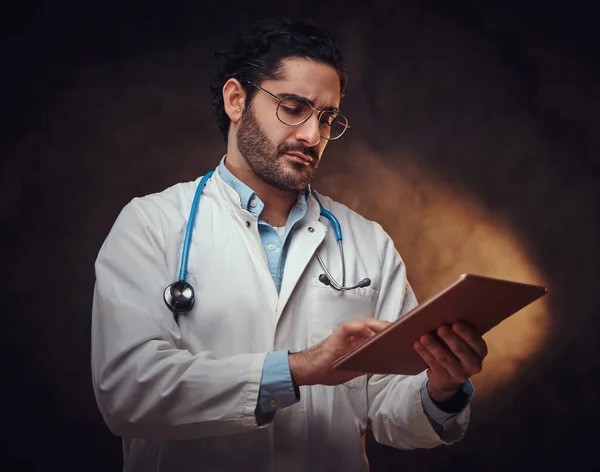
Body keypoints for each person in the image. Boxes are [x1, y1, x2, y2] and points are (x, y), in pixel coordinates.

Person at [91, 18, 488, 472]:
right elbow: (128, 391)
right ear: (236, 99)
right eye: (294, 107)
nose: (312, 136)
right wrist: (299, 369)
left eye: (326, 118)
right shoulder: (152, 224)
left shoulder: (367, 243)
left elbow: (390, 412)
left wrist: (441, 388)